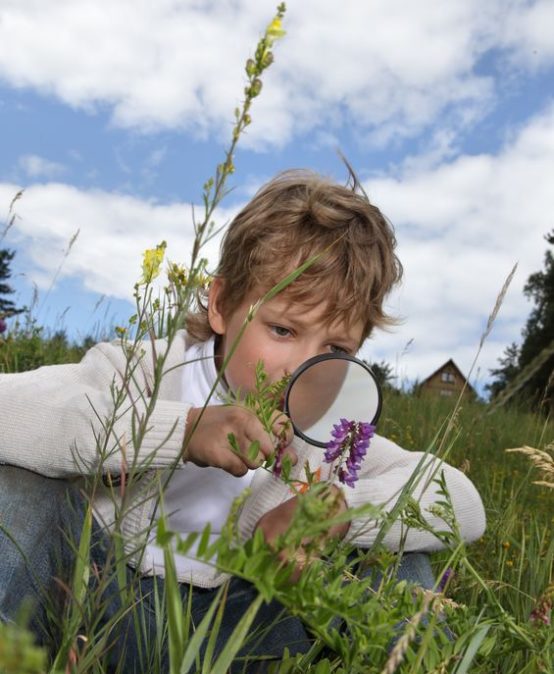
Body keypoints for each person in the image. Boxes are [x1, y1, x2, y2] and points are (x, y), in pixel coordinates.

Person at [0, 170, 486, 672]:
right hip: (95, 599)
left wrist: (333, 515)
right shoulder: (143, 370)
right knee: (18, 487)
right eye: (282, 329)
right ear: (221, 304)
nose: (300, 367)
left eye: (336, 348)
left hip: (242, 630)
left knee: (402, 557)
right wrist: (180, 429)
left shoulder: (330, 438)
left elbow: (462, 503)